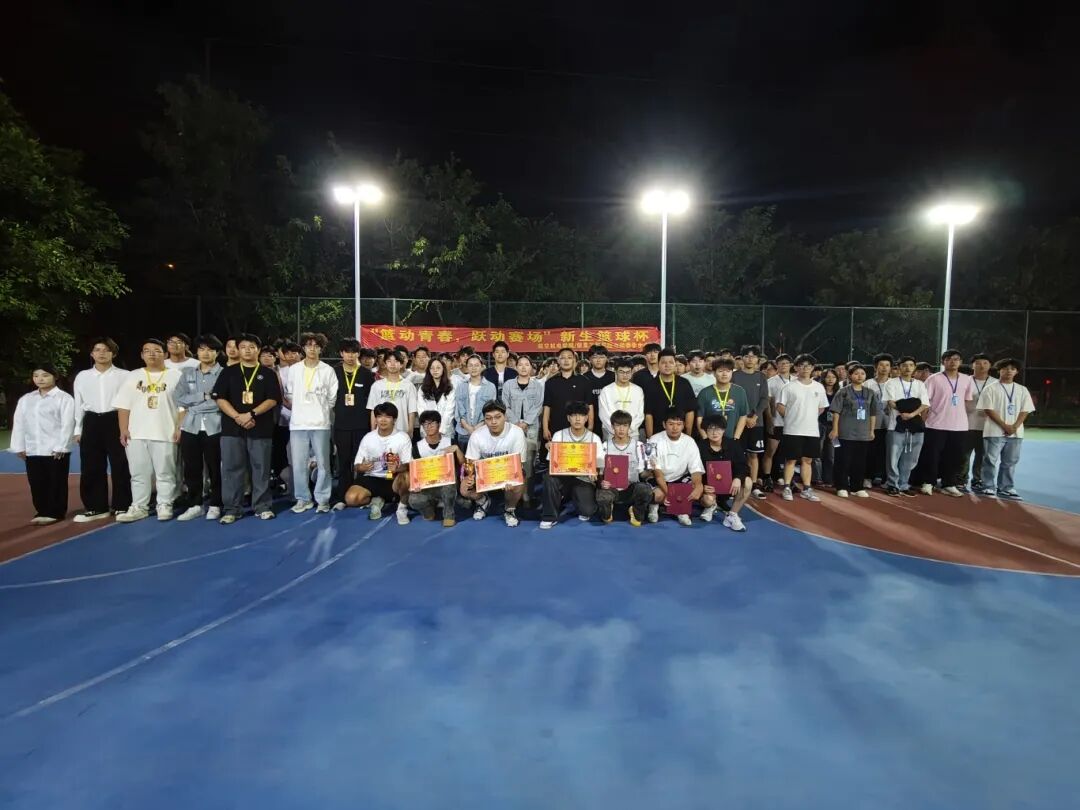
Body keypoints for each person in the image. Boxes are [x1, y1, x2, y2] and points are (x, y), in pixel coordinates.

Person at [211, 333, 281, 524]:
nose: (247, 350)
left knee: (261, 468)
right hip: (232, 429)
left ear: (258, 350)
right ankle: (232, 509)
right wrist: (237, 417)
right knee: (231, 469)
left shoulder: (268, 373)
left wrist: (251, 414)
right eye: (243, 347)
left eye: (251, 347)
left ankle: (262, 506)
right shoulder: (228, 372)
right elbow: (220, 398)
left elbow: (273, 399)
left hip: (260, 428)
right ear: (238, 350)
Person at [113, 339, 183, 522]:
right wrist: (123, 429)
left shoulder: (176, 376)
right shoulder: (133, 376)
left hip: (165, 431)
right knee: (138, 473)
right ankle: (139, 506)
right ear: (142, 355)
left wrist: (179, 427)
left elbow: (183, 406)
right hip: (136, 433)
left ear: (165, 354)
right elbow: (123, 405)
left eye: (157, 350)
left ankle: (165, 504)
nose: (152, 354)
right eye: (147, 351)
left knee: (165, 473)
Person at [72, 337, 131, 521]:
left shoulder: (125, 375)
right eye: (97, 350)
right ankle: (96, 507)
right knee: (91, 466)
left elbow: (130, 403)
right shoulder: (82, 376)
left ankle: (122, 505)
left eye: (106, 350)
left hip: (115, 419)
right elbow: (78, 403)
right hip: (91, 421)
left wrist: (127, 427)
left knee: (121, 464)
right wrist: (78, 429)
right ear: (92, 354)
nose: (101, 353)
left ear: (113, 353)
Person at [9, 365, 75, 525]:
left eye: (45, 375)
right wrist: (19, 446)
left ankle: (55, 512)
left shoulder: (64, 398)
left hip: (54, 450)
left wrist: (61, 446)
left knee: (56, 482)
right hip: (33, 449)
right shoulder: (26, 399)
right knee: (36, 482)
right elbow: (19, 423)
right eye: (36, 375)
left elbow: (67, 424)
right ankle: (42, 511)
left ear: (55, 377)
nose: (40, 379)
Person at [282, 332, 338, 513]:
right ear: (303, 348)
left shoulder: (327, 370)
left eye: (316, 346)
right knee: (299, 464)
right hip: (298, 423)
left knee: (323, 464)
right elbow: (290, 394)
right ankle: (303, 498)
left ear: (321, 348)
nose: (312, 349)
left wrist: (320, 410)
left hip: (320, 423)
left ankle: (322, 499)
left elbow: (332, 398)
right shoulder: (294, 369)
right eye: (308, 345)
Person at [911, 349, 975, 497]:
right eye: (949, 359)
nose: (953, 362)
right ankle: (928, 482)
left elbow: (967, 401)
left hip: (959, 426)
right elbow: (925, 402)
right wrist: (923, 421)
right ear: (943, 362)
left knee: (954, 456)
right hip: (935, 424)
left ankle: (949, 484)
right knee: (932, 455)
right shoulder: (934, 379)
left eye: (956, 359)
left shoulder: (967, 380)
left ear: (960, 362)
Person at [174, 335, 224, 521]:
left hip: (216, 426)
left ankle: (216, 504)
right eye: (202, 349)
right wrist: (203, 395)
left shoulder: (224, 373)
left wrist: (194, 403)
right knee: (191, 468)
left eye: (210, 350)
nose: (205, 353)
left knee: (215, 468)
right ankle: (195, 504)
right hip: (190, 426)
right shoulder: (188, 373)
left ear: (217, 353)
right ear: (196, 352)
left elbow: (221, 401)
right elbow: (178, 398)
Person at [460, 399, 527, 527]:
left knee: (518, 482)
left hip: (508, 472)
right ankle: (483, 501)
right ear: (484, 420)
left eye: (497, 417)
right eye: (489, 418)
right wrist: (470, 477)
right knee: (464, 488)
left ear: (505, 417)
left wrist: (510, 478)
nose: (493, 422)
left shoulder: (516, 432)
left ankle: (509, 509)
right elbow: (470, 463)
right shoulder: (477, 435)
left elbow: (519, 464)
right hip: (485, 475)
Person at [540, 401, 605, 529]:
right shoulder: (559, 435)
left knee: (588, 511)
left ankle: (575, 498)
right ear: (568, 418)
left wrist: (595, 472)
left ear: (586, 418)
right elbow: (552, 464)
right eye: (574, 415)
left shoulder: (594, 438)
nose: (577, 419)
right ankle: (549, 517)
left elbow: (599, 465)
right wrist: (552, 450)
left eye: (581, 415)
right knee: (549, 478)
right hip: (563, 477)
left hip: (583, 479)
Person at [976, 358, 1035, 500]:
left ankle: (1006, 487)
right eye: (1005, 368)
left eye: (1012, 369)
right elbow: (988, 409)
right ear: (999, 370)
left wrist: (1014, 426)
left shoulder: (1022, 390)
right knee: (990, 460)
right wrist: (1005, 425)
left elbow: (1025, 410)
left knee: (1010, 462)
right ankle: (988, 486)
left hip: (1016, 433)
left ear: (1016, 372)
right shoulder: (990, 388)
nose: (1009, 371)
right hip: (994, 431)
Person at [346, 402, 413, 523]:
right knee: (351, 498)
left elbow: (409, 464)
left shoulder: (403, 437)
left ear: (394, 420)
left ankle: (402, 509)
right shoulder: (368, 437)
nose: (383, 420)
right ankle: (375, 500)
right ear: (375, 419)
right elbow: (356, 465)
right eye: (379, 416)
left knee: (407, 478)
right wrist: (362, 467)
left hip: (393, 479)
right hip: (372, 477)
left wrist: (397, 468)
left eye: (387, 417)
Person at [776, 353, 829, 502]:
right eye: (802, 365)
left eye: (808, 366)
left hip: (812, 430)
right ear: (796, 368)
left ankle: (806, 488)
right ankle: (787, 487)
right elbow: (780, 406)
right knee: (791, 460)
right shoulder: (789, 387)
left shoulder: (819, 387)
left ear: (813, 368)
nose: (805, 368)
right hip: (792, 430)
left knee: (807, 460)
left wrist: (809, 417)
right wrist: (792, 417)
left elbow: (821, 407)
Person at [331, 339, 375, 510]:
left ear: (358, 354)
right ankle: (341, 497)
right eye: (347, 352)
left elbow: (371, 402)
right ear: (341, 353)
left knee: (361, 463)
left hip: (361, 425)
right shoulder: (333, 372)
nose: (350, 356)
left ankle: (360, 494)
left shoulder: (366, 374)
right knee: (343, 462)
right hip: (341, 425)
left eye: (354, 352)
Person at [595, 409, 654, 527]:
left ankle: (635, 510)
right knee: (602, 497)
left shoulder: (639, 446)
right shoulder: (604, 446)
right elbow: (600, 474)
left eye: (625, 425)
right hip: (611, 489)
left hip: (631, 488)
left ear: (629, 427)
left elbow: (642, 475)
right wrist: (601, 482)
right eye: (618, 425)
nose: (621, 429)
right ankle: (608, 509)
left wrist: (650, 470)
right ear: (612, 427)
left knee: (645, 489)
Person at [828, 361, 878, 498]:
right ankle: (841, 486)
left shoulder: (870, 393)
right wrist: (835, 429)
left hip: (863, 432)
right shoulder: (843, 392)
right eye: (856, 373)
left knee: (860, 461)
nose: (860, 376)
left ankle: (857, 487)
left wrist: (871, 430)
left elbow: (873, 413)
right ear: (850, 376)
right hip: (845, 431)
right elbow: (836, 412)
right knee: (843, 460)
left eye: (862, 373)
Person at [647, 408, 705, 526]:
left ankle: (680, 509)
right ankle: (654, 506)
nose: (675, 428)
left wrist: (699, 485)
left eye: (679, 424)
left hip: (679, 479)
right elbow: (657, 474)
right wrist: (671, 495)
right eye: (671, 424)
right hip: (660, 479)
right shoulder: (653, 440)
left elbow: (696, 470)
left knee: (695, 488)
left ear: (683, 425)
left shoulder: (690, 441)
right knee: (657, 495)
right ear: (664, 424)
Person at [882, 356, 929, 497]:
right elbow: (890, 402)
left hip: (915, 425)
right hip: (896, 424)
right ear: (899, 367)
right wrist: (903, 412)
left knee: (911, 457)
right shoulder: (891, 383)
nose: (907, 368)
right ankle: (892, 484)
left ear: (914, 368)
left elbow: (924, 404)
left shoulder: (920, 384)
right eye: (904, 365)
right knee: (893, 457)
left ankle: (904, 484)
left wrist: (911, 414)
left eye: (910, 365)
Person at [696, 413, 751, 532]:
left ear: (724, 430)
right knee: (707, 500)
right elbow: (694, 470)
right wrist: (702, 485)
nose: (714, 432)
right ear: (705, 430)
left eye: (718, 429)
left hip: (729, 486)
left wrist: (738, 478)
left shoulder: (733, 445)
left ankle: (732, 515)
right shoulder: (699, 447)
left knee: (747, 481)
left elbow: (743, 466)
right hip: (709, 489)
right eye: (710, 429)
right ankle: (711, 505)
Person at [501, 354, 544, 505]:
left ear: (531, 367)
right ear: (516, 367)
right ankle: (513, 495)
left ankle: (527, 496)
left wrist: (525, 422)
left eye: (527, 364)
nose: (524, 367)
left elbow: (538, 406)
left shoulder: (537, 386)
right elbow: (505, 405)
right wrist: (516, 422)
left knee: (529, 463)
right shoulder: (508, 385)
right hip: (512, 427)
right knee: (512, 461)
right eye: (520, 364)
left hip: (531, 428)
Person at [408, 410, 462, 526]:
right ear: (422, 426)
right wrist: (415, 485)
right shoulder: (417, 447)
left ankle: (449, 514)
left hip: (446, 485)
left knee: (449, 484)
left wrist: (457, 449)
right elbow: (415, 471)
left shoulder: (450, 442)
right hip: (427, 486)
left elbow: (463, 464)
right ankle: (429, 510)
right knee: (413, 500)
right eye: (425, 424)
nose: (429, 426)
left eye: (432, 423)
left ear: (439, 424)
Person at [733, 345, 770, 499]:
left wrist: (754, 416)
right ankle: (737, 483)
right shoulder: (734, 376)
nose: (750, 359)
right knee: (736, 454)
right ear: (741, 358)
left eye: (753, 356)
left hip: (756, 422)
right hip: (738, 422)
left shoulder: (761, 377)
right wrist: (744, 417)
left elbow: (764, 399)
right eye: (747, 356)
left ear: (758, 359)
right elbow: (732, 398)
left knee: (753, 455)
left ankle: (754, 485)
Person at [643, 348, 697, 438]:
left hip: (681, 434)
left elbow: (690, 410)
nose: (667, 365)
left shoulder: (684, 383)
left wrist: (688, 436)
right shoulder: (650, 385)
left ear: (675, 364)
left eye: (671, 362)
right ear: (658, 364)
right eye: (663, 362)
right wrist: (650, 438)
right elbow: (648, 414)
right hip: (658, 434)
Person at [542, 347, 594, 439]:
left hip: (579, 428)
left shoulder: (584, 381)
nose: (566, 361)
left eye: (569, 357)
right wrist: (545, 428)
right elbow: (547, 407)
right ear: (558, 361)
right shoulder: (550, 382)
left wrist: (590, 426)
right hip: (556, 427)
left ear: (574, 360)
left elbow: (589, 405)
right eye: (563, 358)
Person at [695, 357, 748, 442]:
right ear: (714, 373)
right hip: (710, 439)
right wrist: (705, 438)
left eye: (728, 371)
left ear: (732, 372)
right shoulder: (705, 393)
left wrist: (736, 438)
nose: (724, 374)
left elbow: (743, 415)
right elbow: (699, 418)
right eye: (720, 371)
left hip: (732, 438)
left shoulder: (739, 391)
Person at [368, 349, 417, 436]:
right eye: (389, 361)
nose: (392, 364)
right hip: (381, 432)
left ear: (401, 364)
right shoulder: (377, 385)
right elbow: (373, 409)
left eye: (396, 361)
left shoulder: (409, 386)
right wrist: (373, 430)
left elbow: (412, 411)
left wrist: (410, 430)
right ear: (385, 364)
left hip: (402, 431)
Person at [764, 353, 793, 491]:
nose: (784, 365)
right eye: (781, 363)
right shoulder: (771, 381)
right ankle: (767, 477)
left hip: (793, 424)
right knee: (770, 451)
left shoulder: (796, 380)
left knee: (790, 454)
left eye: (786, 363)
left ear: (791, 365)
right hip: (777, 422)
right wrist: (770, 421)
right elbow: (767, 403)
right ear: (777, 366)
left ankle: (789, 480)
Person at [597, 355, 645, 440]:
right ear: (615, 372)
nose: (625, 375)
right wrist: (615, 429)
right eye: (621, 372)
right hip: (611, 433)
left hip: (632, 433)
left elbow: (640, 414)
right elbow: (603, 414)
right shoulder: (606, 390)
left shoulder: (638, 390)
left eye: (628, 372)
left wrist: (629, 429)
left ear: (632, 372)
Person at [864, 353, 893, 489]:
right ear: (875, 367)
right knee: (870, 452)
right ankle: (867, 477)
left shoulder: (894, 383)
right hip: (872, 424)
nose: (884, 368)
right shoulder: (868, 384)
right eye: (881, 365)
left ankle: (883, 478)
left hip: (890, 424)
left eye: (887, 365)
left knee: (887, 452)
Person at [455, 354, 498, 446]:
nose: (473, 368)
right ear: (467, 367)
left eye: (476, 365)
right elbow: (459, 409)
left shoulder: (490, 387)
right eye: (470, 365)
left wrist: (477, 427)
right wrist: (467, 427)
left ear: (482, 367)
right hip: (463, 432)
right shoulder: (461, 386)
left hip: (484, 430)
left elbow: (490, 409)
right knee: (463, 455)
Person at [964, 353, 993, 492]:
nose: (981, 366)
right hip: (966, 424)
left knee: (982, 455)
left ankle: (978, 480)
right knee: (964, 454)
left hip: (988, 426)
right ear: (972, 365)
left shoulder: (995, 383)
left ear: (990, 365)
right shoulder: (964, 381)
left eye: (985, 363)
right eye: (978, 363)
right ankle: (961, 479)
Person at [415, 356, 457, 438]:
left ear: (443, 369)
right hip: (427, 430)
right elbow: (421, 410)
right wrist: (430, 428)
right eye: (432, 368)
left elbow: (449, 411)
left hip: (445, 431)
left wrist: (441, 430)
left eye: (438, 367)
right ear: (429, 370)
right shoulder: (423, 389)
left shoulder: (450, 388)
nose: (435, 370)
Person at [817, 367, 841, 486]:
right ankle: (816, 478)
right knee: (817, 453)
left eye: (833, 377)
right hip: (819, 424)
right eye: (828, 377)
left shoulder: (840, 393)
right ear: (823, 378)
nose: (830, 379)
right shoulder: (818, 391)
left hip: (834, 426)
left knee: (831, 454)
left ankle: (829, 478)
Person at [585, 344, 615, 412]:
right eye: (595, 357)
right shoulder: (584, 378)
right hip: (589, 415)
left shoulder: (614, 377)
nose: (598, 360)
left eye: (601, 357)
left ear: (606, 358)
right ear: (590, 359)